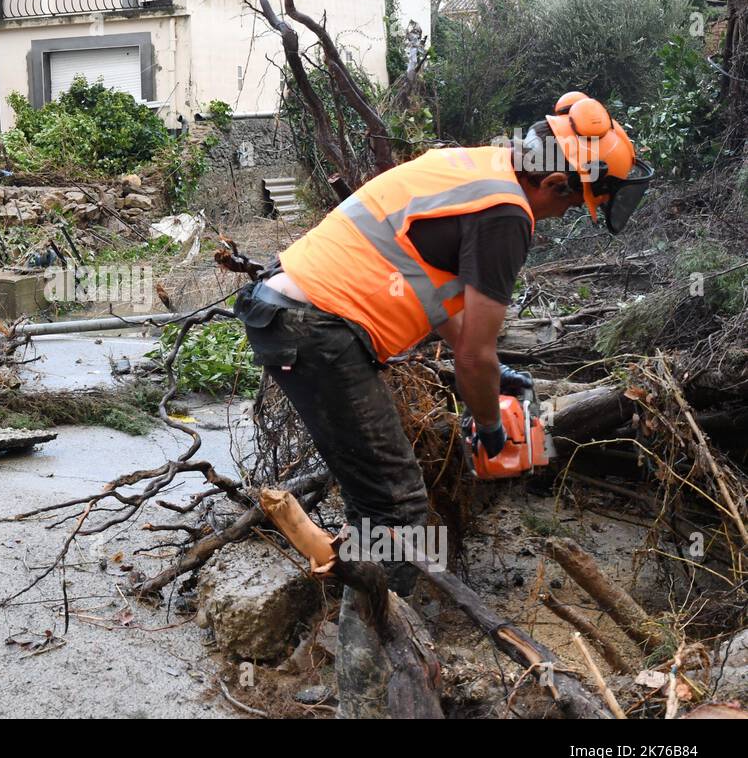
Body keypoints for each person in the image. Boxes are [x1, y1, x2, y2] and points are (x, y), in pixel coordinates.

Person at [236, 92, 653, 594]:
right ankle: (378, 643)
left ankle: (343, 587)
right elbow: (474, 353)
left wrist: (490, 380)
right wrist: (491, 424)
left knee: (374, 495)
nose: (564, 216)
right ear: (554, 182)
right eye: (571, 205)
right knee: (398, 509)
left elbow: (431, 293)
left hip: (287, 309)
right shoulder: (506, 215)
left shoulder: (482, 166)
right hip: (316, 329)